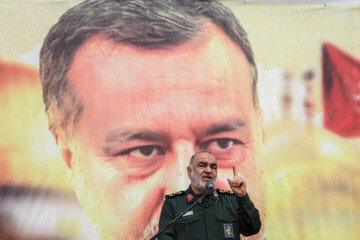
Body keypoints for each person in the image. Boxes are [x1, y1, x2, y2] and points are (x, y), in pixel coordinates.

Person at [39, 0, 265, 239]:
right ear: (71, 159)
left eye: (222, 143)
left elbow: (252, 227)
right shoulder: (175, 207)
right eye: (144, 150)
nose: (182, 184)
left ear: (260, 134)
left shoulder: (231, 203)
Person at [158, 150, 261, 239]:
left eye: (213, 167)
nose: (208, 170)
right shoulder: (173, 204)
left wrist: (242, 196)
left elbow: (252, 228)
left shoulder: (231, 200)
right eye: (202, 165)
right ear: (189, 172)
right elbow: (165, 237)